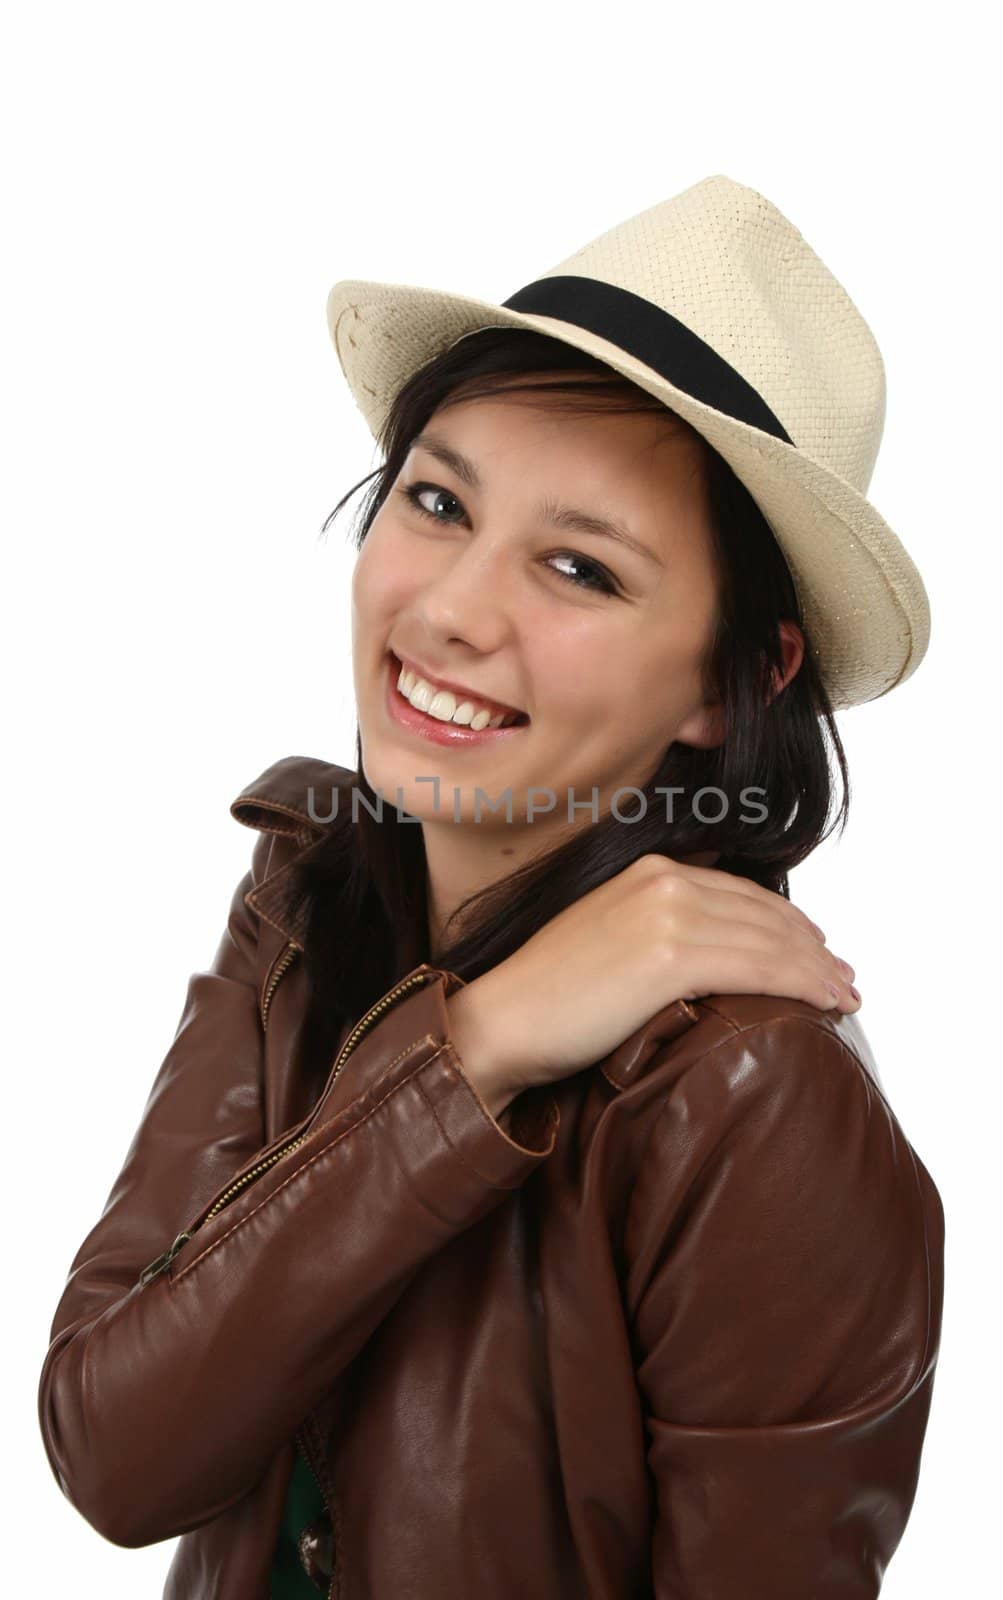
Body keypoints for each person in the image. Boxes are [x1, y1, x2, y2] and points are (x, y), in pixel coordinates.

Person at [37, 174, 944, 1598]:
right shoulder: (305, 892)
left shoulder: (749, 1091)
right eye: (439, 500)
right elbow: (117, 1451)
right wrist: (479, 1045)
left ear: (740, 676)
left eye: (580, 567)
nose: (452, 610)